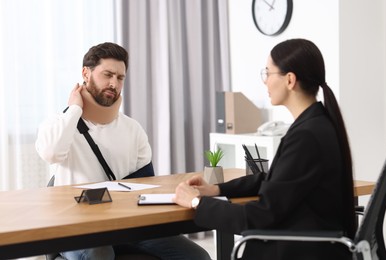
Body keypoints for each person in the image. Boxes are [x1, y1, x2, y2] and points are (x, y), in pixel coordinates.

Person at [173, 39, 357, 260]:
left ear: (289, 80)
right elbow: (272, 179)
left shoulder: (307, 135)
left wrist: (196, 202)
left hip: (299, 250)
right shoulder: (316, 124)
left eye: (268, 73)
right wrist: (216, 190)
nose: (265, 82)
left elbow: (261, 216)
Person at [36, 42, 211, 260]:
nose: (113, 83)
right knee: (99, 254)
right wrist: (74, 109)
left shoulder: (132, 129)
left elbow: (145, 183)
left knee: (197, 256)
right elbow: (51, 153)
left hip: (127, 225)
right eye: (107, 74)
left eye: (120, 78)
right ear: (85, 73)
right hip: (76, 226)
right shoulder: (60, 124)